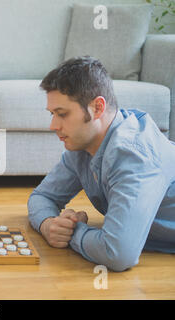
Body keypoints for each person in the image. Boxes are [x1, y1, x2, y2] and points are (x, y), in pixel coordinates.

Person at [28, 56, 175, 272]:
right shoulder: (82, 146)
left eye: (62, 114)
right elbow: (42, 196)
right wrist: (48, 224)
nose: (53, 125)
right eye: (52, 114)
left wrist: (74, 231)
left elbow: (117, 253)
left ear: (97, 108)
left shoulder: (133, 155)